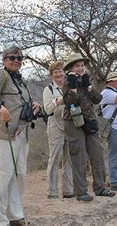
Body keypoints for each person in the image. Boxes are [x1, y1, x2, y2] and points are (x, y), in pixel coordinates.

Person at [0, 46, 43, 226]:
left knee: (18, 175)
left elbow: (22, 102)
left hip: (21, 133)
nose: (16, 61)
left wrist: (35, 104)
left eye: (19, 58)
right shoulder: (1, 75)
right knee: (3, 176)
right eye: (12, 58)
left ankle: (14, 215)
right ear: (4, 60)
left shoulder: (20, 80)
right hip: (2, 133)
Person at [62, 53, 116, 202]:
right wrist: (73, 87)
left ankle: (100, 187)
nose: (80, 68)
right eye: (77, 65)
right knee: (78, 156)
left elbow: (98, 99)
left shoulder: (86, 80)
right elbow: (69, 102)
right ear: (71, 68)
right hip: (73, 121)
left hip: (90, 120)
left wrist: (89, 85)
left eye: (82, 65)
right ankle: (81, 192)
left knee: (97, 152)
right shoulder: (67, 82)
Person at [43, 61, 74, 199]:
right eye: (55, 72)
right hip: (55, 125)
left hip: (69, 124)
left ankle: (68, 190)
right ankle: (52, 191)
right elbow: (48, 109)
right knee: (55, 158)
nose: (59, 74)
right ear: (51, 75)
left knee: (69, 159)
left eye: (60, 71)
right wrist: (60, 100)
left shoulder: (70, 87)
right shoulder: (48, 90)